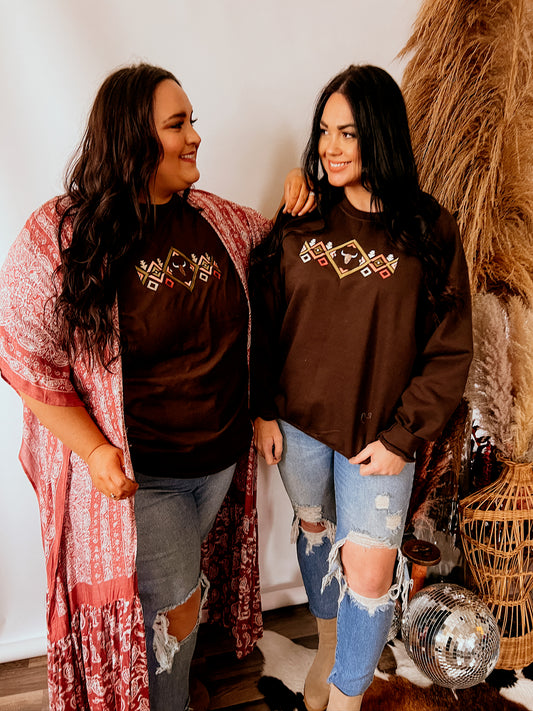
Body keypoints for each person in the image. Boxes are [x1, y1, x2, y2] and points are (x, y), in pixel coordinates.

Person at [0, 63, 314, 711]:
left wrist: (299, 188)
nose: (195, 136)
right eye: (177, 124)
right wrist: (93, 450)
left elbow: (286, 254)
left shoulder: (222, 223)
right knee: (176, 600)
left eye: (193, 120)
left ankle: (162, 681)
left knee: (174, 596)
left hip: (217, 463)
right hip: (139, 473)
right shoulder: (61, 234)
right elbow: (26, 356)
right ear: (131, 138)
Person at [251, 64, 473, 711]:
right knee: (316, 531)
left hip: (379, 438)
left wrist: (404, 437)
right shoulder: (302, 216)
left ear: (380, 134)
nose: (330, 147)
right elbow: (265, 316)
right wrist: (262, 409)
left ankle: (348, 697)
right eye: (324, 131)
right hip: (297, 424)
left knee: (371, 572)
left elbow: (449, 345)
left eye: (347, 132)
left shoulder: (429, 229)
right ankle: (327, 646)